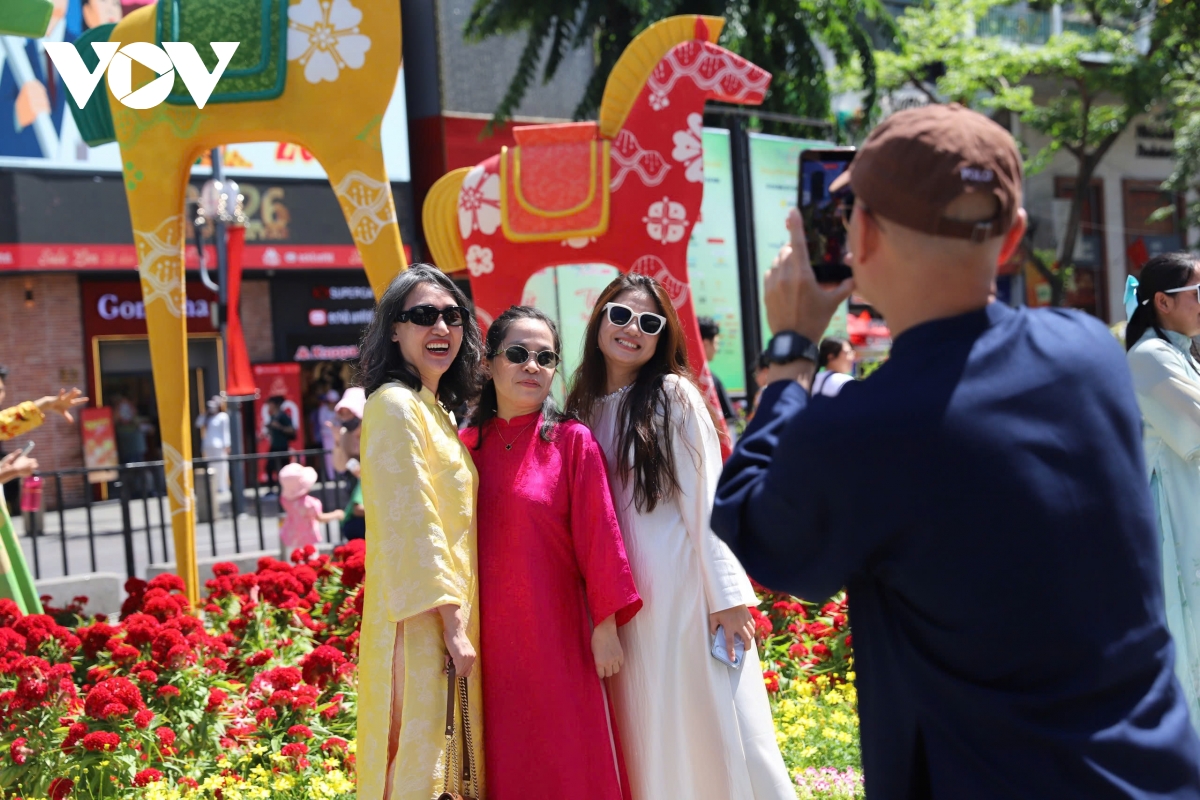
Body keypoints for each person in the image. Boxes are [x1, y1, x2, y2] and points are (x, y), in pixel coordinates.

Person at [712, 103, 1200, 797]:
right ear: (1013, 239)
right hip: (1152, 773)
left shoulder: (863, 429)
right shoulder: (1089, 354)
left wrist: (791, 350)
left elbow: (756, 526)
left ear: (861, 236)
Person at [564, 273, 795, 800]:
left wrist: (727, 597)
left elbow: (707, 499)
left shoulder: (673, 395)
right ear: (599, 319)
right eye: (620, 315)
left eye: (649, 323)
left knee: (705, 721)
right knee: (645, 726)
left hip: (679, 593)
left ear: (663, 336)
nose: (632, 329)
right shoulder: (583, 406)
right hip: (617, 600)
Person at [462, 306, 642, 800]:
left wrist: (605, 627)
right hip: (484, 643)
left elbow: (599, 536)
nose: (532, 366)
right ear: (488, 363)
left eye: (545, 357)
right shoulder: (462, 448)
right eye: (518, 353)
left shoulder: (572, 442)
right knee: (505, 762)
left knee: (568, 760)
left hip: (558, 638)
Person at [356, 264, 485, 800]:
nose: (441, 328)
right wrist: (453, 627)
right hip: (421, 621)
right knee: (421, 761)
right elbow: (415, 523)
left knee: (447, 763)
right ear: (394, 328)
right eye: (424, 315)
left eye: (453, 316)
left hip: (444, 617)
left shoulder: (434, 410)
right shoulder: (395, 405)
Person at [1125, 252, 1200, 734]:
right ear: (1163, 302)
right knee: (1185, 647)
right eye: (1198, 293)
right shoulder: (1150, 357)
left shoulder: (1179, 354)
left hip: (1188, 511)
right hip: (1173, 523)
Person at [277, 463, 343, 558]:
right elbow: (320, 517)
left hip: (291, 536)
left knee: (293, 561)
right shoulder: (310, 503)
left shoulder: (285, 500)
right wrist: (336, 514)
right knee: (312, 561)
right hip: (308, 538)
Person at [698, 316, 738, 430]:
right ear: (705, 344)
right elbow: (727, 424)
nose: (717, 348)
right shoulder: (711, 381)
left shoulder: (678, 376)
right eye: (716, 343)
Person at [196, 397, 232, 496]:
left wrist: (227, 445)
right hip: (208, 445)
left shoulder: (223, 416)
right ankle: (214, 486)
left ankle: (222, 486)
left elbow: (225, 432)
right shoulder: (208, 417)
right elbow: (198, 423)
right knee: (211, 466)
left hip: (219, 446)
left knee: (222, 466)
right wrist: (206, 413)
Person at [262, 395, 296, 497]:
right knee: (269, 468)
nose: (268, 406)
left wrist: (279, 427)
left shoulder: (283, 416)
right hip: (274, 446)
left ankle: (286, 490)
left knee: (283, 470)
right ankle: (272, 489)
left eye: (270, 404)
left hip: (282, 447)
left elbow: (291, 430)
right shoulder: (273, 416)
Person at [317, 389, 340, 481]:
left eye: (334, 401)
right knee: (329, 456)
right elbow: (323, 422)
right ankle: (331, 477)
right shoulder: (323, 409)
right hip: (327, 436)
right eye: (331, 401)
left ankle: (341, 474)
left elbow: (341, 421)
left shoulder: (339, 408)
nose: (333, 403)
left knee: (339, 454)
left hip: (338, 434)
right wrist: (333, 422)